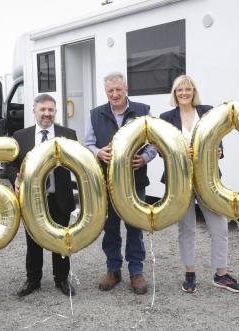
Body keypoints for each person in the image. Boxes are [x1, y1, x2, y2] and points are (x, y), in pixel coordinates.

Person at [159, 75, 239, 293]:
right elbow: (161, 151)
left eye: (188, 89)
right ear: (174, 94)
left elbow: (217, 137)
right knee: (186, 229)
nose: (184, 93)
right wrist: (179, 151)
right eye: (179, 90)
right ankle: (190, 274)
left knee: (220, 226)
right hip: (180, 182)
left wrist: (219, 151)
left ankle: (221, 275)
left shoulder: (207, 111)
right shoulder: (166, 117)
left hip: (208, 179)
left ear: (194, 92)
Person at [85, 72, 157, 295]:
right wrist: (98, 153)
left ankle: (136, 272)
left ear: (126, 88)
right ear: (105, 92)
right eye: (110, 91)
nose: (114, 94)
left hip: (136, 181)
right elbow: (87, 143)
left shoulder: (143, 111)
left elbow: (156, 142)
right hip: (107, 182)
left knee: (135, 226)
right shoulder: (95, 114)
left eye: (118, 89)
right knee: (111, 228)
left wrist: (144, 157)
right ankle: (113, 270)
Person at [7, 93, 77, 297]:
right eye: (43, 110)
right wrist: (16, 179)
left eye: (51, 110)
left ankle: (62, 279)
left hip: (60, 196)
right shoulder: (20, 136)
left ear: (55, 111)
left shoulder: (68, 134)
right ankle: (33, 280)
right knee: (33, 241)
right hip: (32, 199)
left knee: (61, 239)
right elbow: (10, 166)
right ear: (34, 111)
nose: (47, 114)